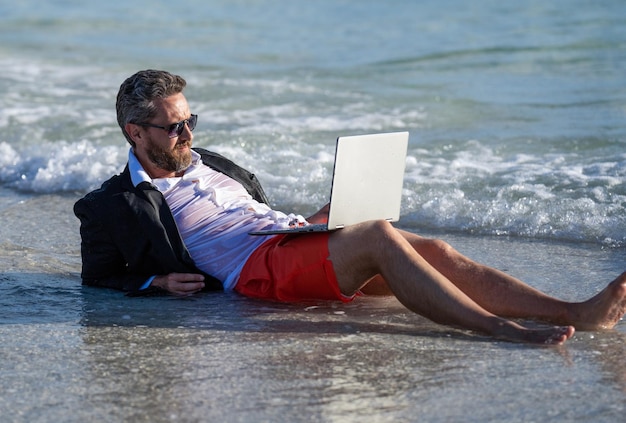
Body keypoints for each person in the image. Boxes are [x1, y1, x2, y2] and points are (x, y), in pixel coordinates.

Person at [74, 69, 626, 345]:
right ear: (135, 131)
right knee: (379, 235)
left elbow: (257, 216)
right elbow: (97, 277)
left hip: (285, 241)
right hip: (257, 273)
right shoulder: (111, 203)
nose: (187, 132)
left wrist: (314, 221)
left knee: (429, 248)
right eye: (174, 126)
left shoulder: (209, 160)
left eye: (191, 120)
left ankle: (574, 312)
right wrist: (156, 284)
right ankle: (501, 330)